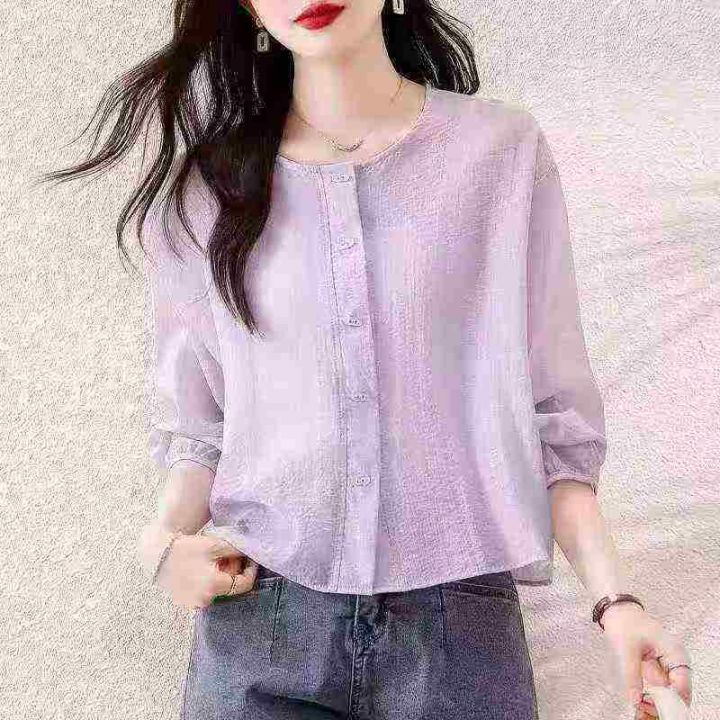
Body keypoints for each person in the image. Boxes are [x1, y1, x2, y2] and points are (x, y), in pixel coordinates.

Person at [42, 0, 692, 718]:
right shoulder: (211, 188)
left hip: (458, 633)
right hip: (262, 618)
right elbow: (202, 429)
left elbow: (554, 423)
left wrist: (616, 603)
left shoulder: (499, 153)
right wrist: (162, 544)